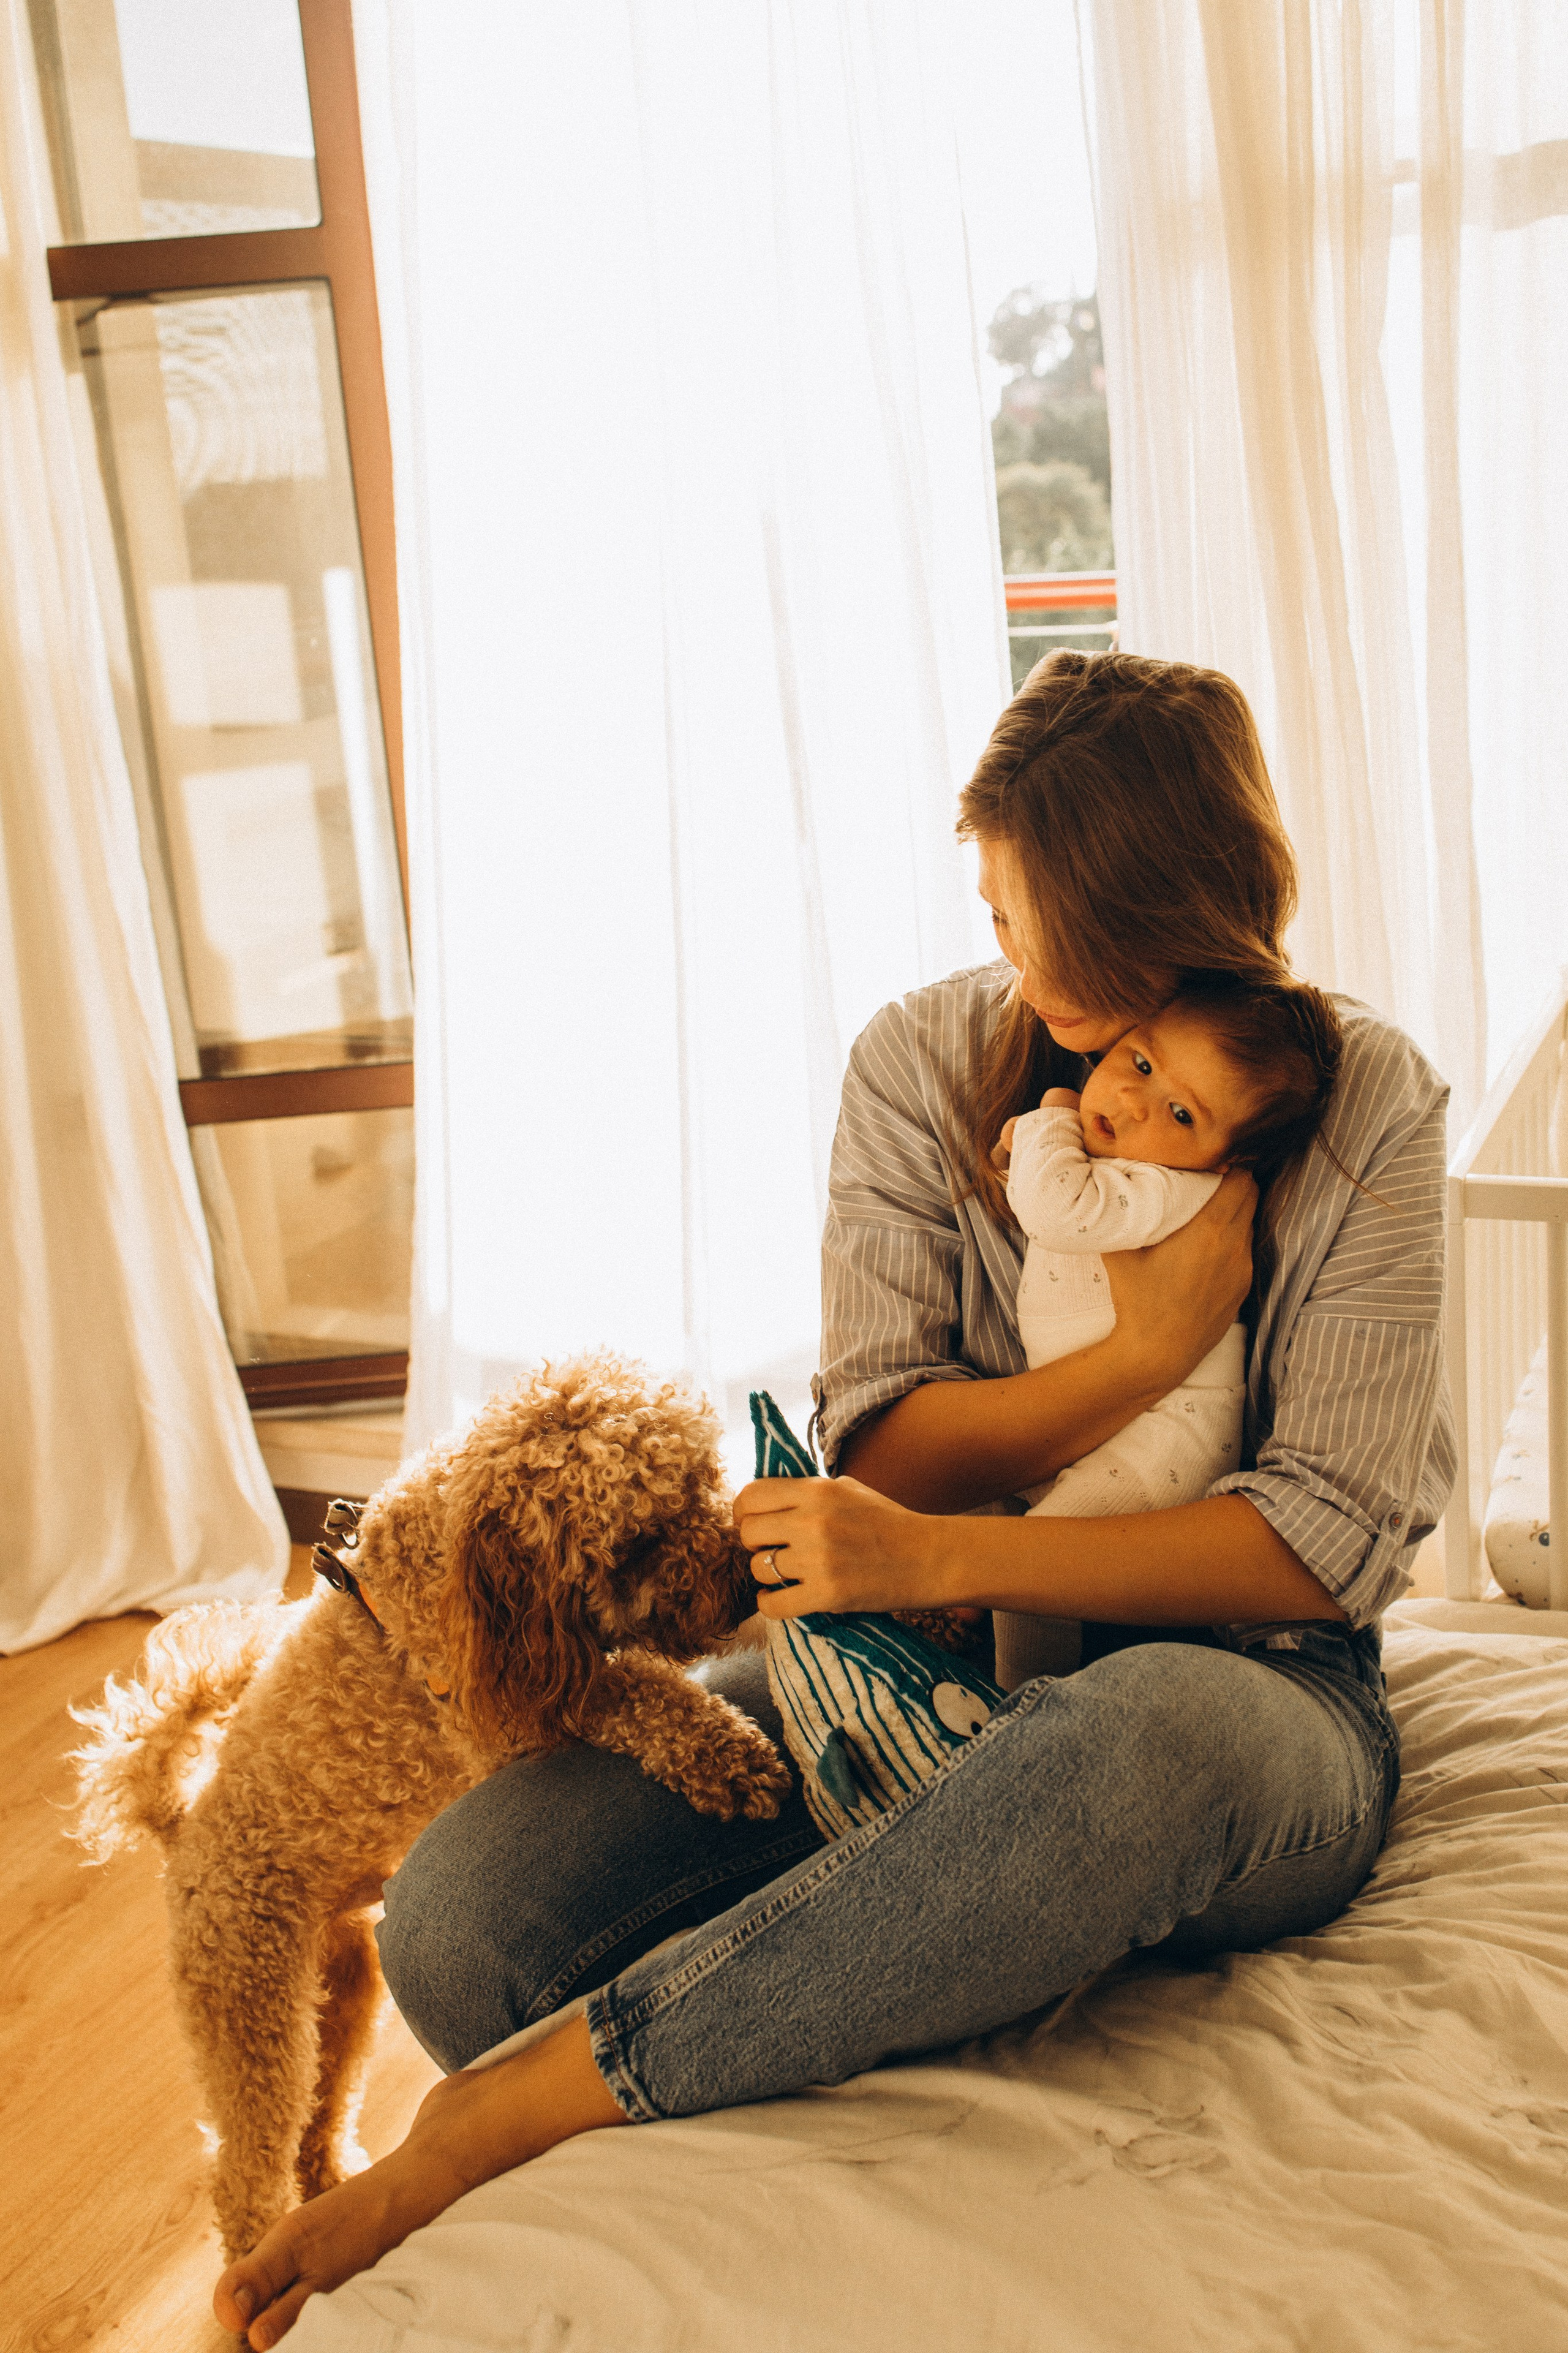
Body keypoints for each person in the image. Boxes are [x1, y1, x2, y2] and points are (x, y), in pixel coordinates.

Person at [215, 652, 1452, 2350]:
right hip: (909, 1682)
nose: (999, 943)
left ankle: (539, 2097)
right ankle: (961, 1925)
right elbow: (871, 1461)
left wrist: (950, 1544)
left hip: (1244, 1700)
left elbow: (1321, 1547)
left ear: (1137, 907)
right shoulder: (921, 1059)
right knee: (463, 1928)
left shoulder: (1364, 1099)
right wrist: (1127, 1365)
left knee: (1128, 1740)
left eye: (1026, 910)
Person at [992, 973, 1343, 1685]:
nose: (1131, 1100)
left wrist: (1048, 1118)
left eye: (1179, 1113)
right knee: (997, 1518)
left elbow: (1053, 1206)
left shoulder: (1171, 1188)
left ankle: (1015, 1703)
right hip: (1117, 1422)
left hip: (1166, 1442)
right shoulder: (1131, 1163)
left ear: (1224, 1160)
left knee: (1025, 1566)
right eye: (1141, 1064)